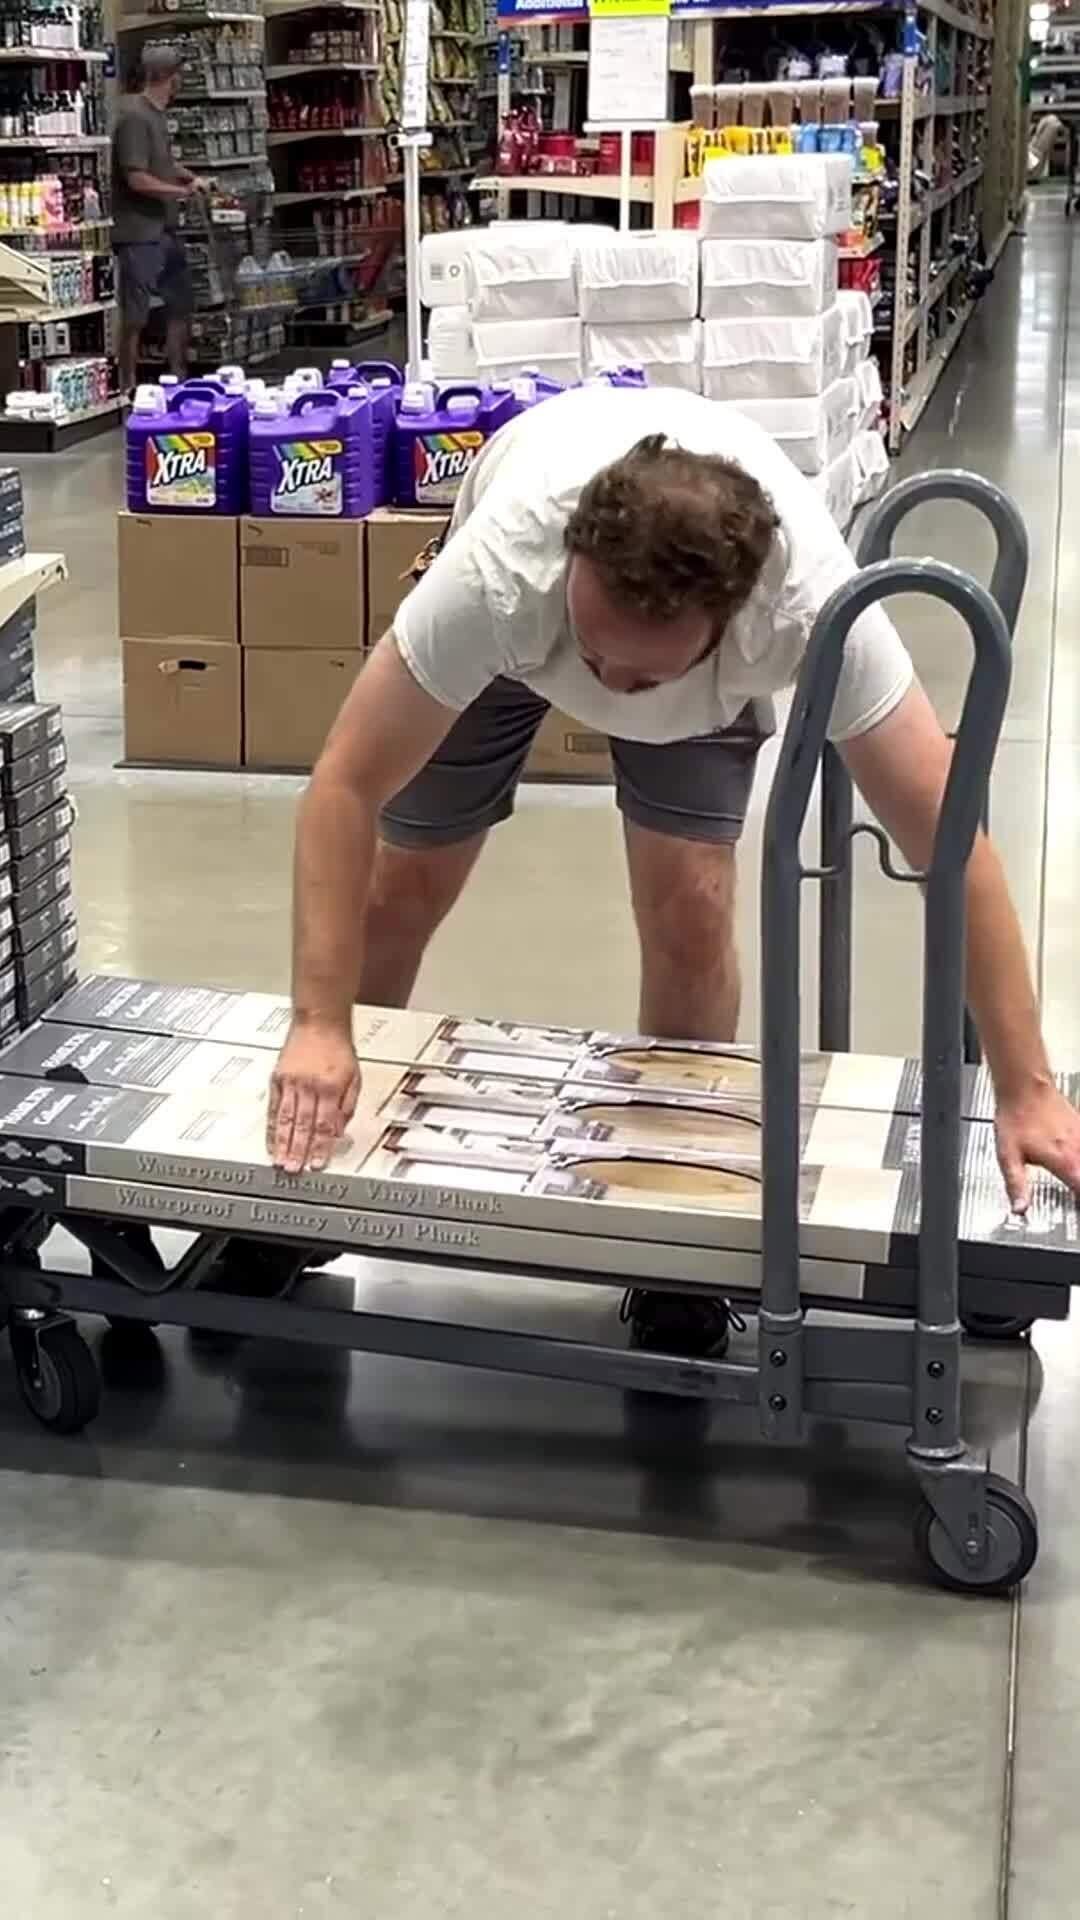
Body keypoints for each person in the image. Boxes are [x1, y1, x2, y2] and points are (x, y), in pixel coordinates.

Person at [266, 384, 1080, 1352]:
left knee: (691, 907)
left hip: (691, 686)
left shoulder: (808, 607)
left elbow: (951, 845)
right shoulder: (499, 574)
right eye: (597, 656)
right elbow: (345, 784)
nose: (608, 691)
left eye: (640, 677)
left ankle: (671, 1241)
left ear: (731, 622)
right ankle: (309, 1169)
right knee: (405, 884)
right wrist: (317, 1024)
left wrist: (1028, 1086)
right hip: (513, 646)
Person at [111, 43, 199, 396]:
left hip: (165, 229)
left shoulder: (157, 115)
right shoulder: (134, 117)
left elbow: (160, 163)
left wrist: (191, 177)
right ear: (168, 77)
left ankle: (179, 379)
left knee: (181, 305)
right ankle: (128, 388)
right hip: (139, 232)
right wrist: (180, 192)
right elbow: (136, 178)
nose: (182, 80)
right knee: (135, 315)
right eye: (179, 73)